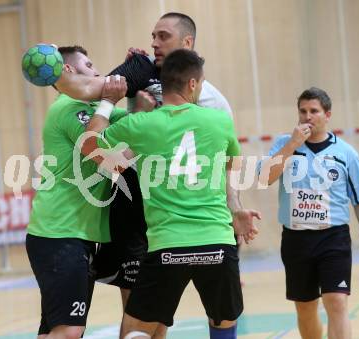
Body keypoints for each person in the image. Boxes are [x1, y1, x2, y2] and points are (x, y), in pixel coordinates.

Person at [56, 14, 245, 328]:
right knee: (146, 315)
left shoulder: (212, 103)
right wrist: (61, 72)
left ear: (187, 43)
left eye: (163, 36)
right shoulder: (139, 70)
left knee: (176, 318)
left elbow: (226, 164)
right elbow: (89, 89)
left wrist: (234, 206)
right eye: (153, 36)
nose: (154, 42)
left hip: (178, 214)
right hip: (137, 206)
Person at [83, 49, 260, 339]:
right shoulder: (219, 122)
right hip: (216, 241)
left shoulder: (143, 123)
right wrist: (235, 208)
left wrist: (107, 104)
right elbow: (232, 166)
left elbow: (90, 146)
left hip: (167, 246)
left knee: (134, 331)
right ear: (193, 84)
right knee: (223, 324)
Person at [259, 87, 359, 339]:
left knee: (337, 301)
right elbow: (265, 178)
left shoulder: (345, 153)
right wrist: (292, 144)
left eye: (314, 111)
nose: (307, 116)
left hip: (332, 237)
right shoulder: (284, 144)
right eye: (302, 111)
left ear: (327, 115)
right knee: (305, 308)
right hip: (295, 239)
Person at [25, 45, 127, 339]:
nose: (96, 72)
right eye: (89, 64)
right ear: (67, 70)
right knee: (69, 330)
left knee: (55, 329)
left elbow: (134, 123)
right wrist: (109, 101)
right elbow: (108, 161)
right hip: (61, 234)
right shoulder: (72, 107)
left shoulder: (93, 110)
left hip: (66, 234)